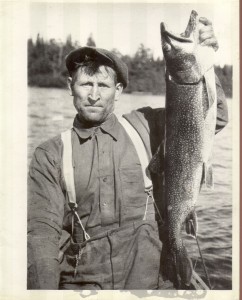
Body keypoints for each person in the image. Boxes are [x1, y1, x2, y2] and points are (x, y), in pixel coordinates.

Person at [27, 17, 228, 290]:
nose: (94, 95)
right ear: (70, 87)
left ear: (118, 91)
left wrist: (205, 60)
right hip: (85, 287)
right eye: (86, 84)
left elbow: (212, 120)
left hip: (155, 281)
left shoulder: (144, 125)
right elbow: (42, 236)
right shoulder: (49, 155)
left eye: (104, 86)